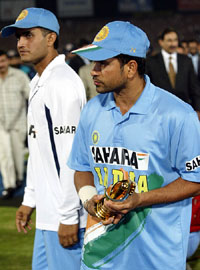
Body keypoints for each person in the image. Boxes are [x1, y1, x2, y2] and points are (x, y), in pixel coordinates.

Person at [67, 21, 200, 270]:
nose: (93, 70)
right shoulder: (92, 110)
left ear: (130, 68)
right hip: (100, 258)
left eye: (103, 63)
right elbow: (82, 167)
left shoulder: (178, 115)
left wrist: (139, 199)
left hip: (157, 257)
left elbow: (195, 180)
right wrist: (89, 201)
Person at [1, 7, 87, 270]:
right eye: (18, 37)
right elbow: (40, 152)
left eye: (28, 35)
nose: (20, 43)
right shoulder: (39, 81)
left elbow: (72, 157)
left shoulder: (62, 84)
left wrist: (69, 215)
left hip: (65, 215)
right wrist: (30, 199)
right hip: (48, 215)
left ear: (51, 39)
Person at [145, 28, 200, 120]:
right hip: (159, 112)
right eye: (169, 40)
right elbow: (147, 88)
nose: (173, 44)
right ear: (161, 42)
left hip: (183, 110)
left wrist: (198, 108)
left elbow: (194, 87)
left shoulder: (186, 61)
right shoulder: (151, 62)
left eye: (175, 40)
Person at [0, 50, 30, 199]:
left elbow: (31, 96)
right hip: (0, 125)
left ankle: (18, 179)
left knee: (18, 157)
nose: (1, 64)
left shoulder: (19, 76)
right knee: (4, 156)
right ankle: (9, 185)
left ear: (8, 61)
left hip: (18, 123)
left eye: (3, 60)